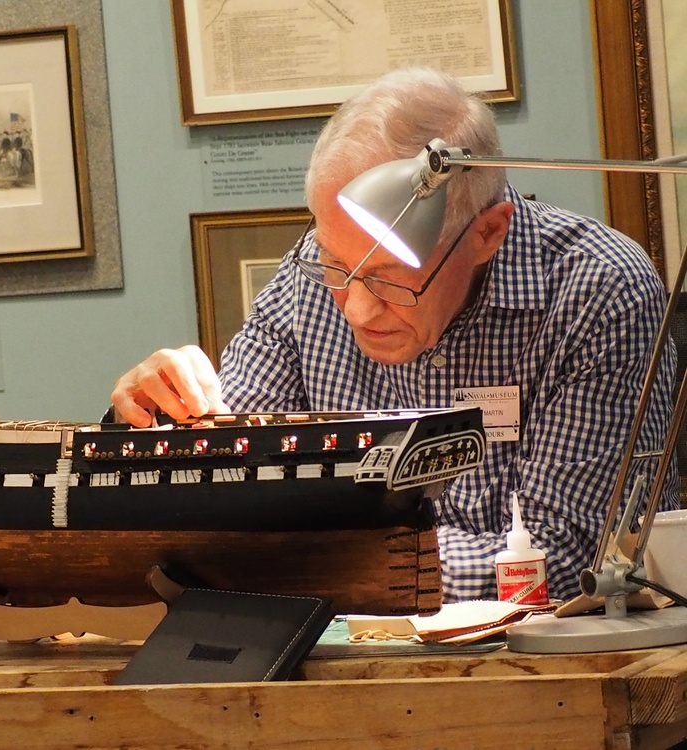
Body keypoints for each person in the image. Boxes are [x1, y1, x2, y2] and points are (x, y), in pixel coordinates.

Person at [109, 67, 680, 603]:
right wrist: (151, 422)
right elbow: (222, 480)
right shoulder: (311, 276)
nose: (356, 309)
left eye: (389, 279)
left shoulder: (597, 291)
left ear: (487, 233)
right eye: (336, 267)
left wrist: (311, 557)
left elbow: (574, 558)